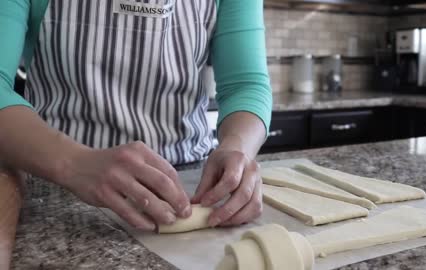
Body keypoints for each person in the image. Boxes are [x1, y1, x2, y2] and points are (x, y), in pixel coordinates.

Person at [0, 0, 272, 231]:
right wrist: (73, 163)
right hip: (58, 191)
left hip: (191, 190)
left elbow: (246, 85)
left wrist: (238, 148)